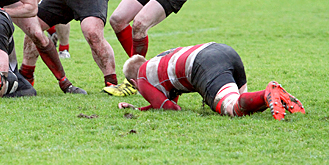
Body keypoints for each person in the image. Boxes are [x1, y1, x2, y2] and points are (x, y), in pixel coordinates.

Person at [117, 43, 306, 121]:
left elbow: (170, 108)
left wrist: (140, 109)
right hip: (223, 50)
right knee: (243, 107)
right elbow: (169, 101)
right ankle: (274, 97)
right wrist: (137, 109)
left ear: (133, 81)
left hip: (204, 64)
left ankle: (268, 93)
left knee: (231, 108)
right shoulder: (157, 62)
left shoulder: (141, 78)